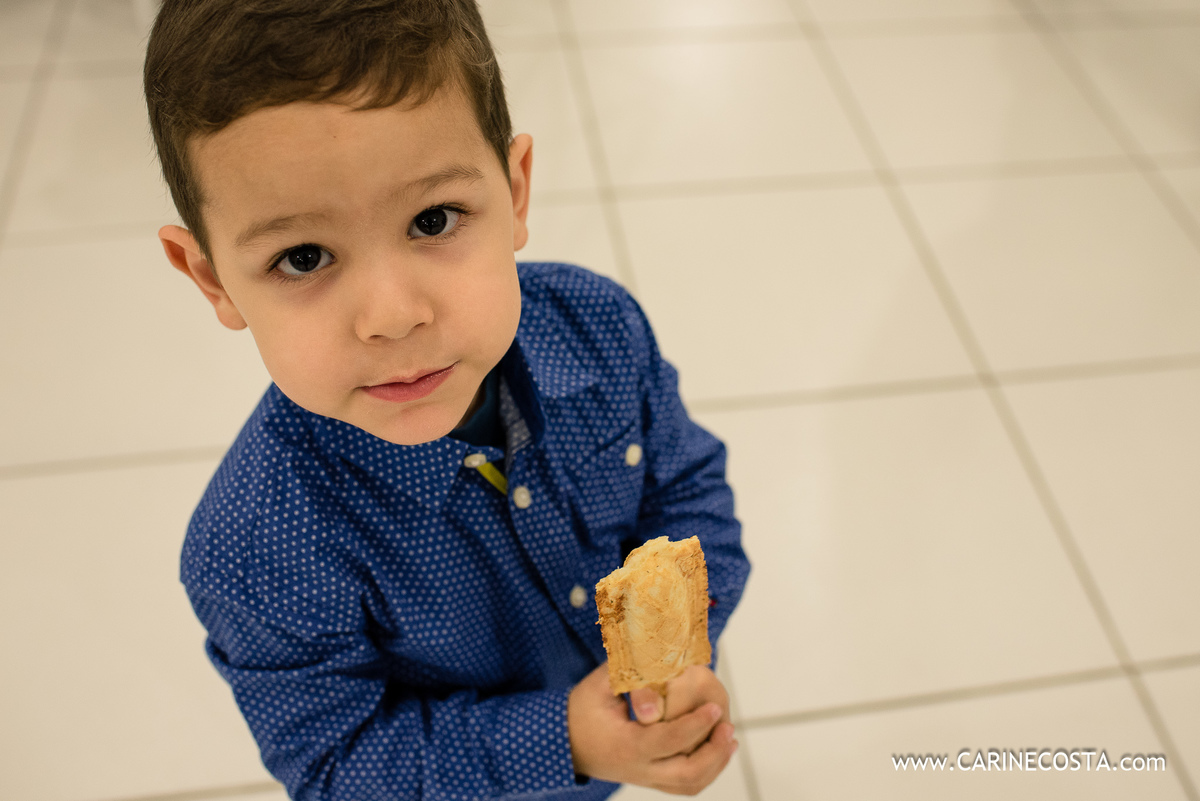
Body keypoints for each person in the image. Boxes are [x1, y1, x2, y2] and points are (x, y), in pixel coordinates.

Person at [144, 1, 750, 798]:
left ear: (515, 189)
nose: (393, 316)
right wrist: (562, 739)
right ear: (213, 278)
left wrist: (676, 654)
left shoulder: (599, 329)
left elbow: (688, 488)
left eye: (433, 219)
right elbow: (336, 764)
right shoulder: (255, 552)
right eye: (302, 256)